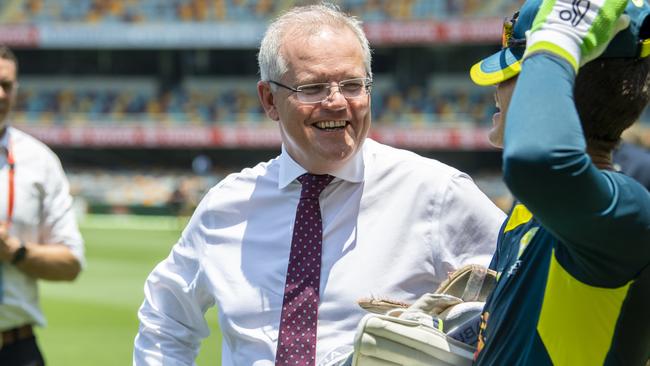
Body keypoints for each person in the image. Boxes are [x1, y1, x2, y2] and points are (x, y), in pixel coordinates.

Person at [133, 3, 505, 365]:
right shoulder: (225, 207)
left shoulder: (435, 192)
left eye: (353, 85)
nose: (337, 102)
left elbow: (526, 297)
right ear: (269, 100)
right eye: (313, 89)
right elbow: (165, 319)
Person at [469, 0, 650, 364]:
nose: (497, 87)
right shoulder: (531, 212)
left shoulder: (626, 212)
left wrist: (559, 33)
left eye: (522, 69)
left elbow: (537, 161)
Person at [0, 46, 85, 365]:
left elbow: (71, 262)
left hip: (14, 348)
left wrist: (15, 251)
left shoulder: (39, 160)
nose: (0, 94)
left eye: (7, 85)